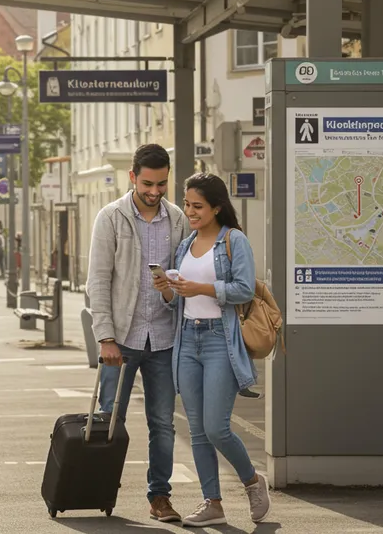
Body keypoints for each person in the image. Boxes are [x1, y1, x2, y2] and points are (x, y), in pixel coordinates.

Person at [158, 173, 270, 526]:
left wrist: (202, 288)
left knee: (216, 427)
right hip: (187, 341)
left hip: (220, 339)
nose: (189, 212)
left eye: (197, 206)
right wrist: (167, 288)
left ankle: (252, 481)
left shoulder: (234, 240)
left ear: (216, 207)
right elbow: (177, 302)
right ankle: (213, 504)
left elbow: (242, 290)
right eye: (187, 204)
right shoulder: (185, 245)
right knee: (196, 430)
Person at [85, 143, 188, 522]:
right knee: (110, 417)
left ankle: (159, 497)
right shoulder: (110, 217)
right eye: (148, 183)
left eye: (162, 183)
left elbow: (181, 278)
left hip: (163, 339)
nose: (155, 191)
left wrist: (171, 292)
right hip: (123, 339)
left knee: (163, 424)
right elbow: (97, 280)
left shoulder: (177, 219)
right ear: (133, 176)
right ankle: (95, 486)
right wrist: (106, 337)